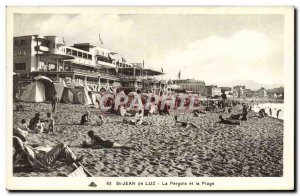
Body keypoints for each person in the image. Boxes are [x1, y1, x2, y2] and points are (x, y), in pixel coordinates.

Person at [13, 135, 83, 168]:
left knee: (64, 150)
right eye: (21, 141)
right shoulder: (24, 149)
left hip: (43, 156)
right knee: (62, 145)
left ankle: (74, 165)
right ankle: (74, 160)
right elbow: (31, 162)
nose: (23, 141)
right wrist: (32, 165)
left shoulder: (21, 149)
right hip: (44, 160)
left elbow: (14, 158)